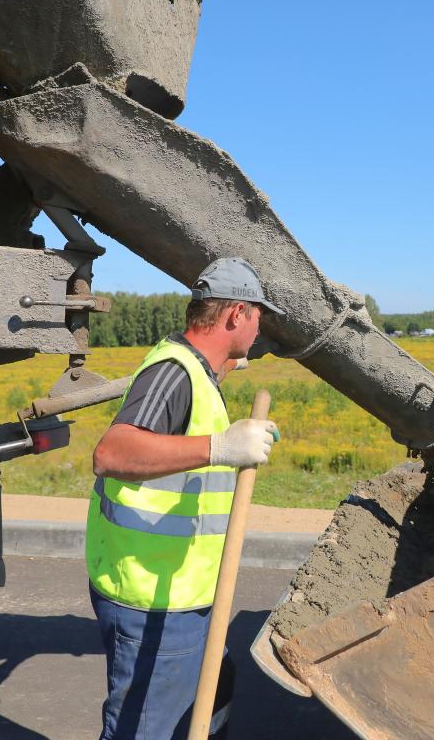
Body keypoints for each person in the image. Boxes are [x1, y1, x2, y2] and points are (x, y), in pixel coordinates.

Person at [87, 257, 283, 740]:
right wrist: (221, 448)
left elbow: (232, 359)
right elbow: (112, 453)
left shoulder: (200, 369)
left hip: (184, 592)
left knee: (213, 696)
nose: (260, 328)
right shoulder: (173, 372)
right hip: (153, 597)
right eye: (258, 316)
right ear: (236, 314)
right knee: (148, 728)